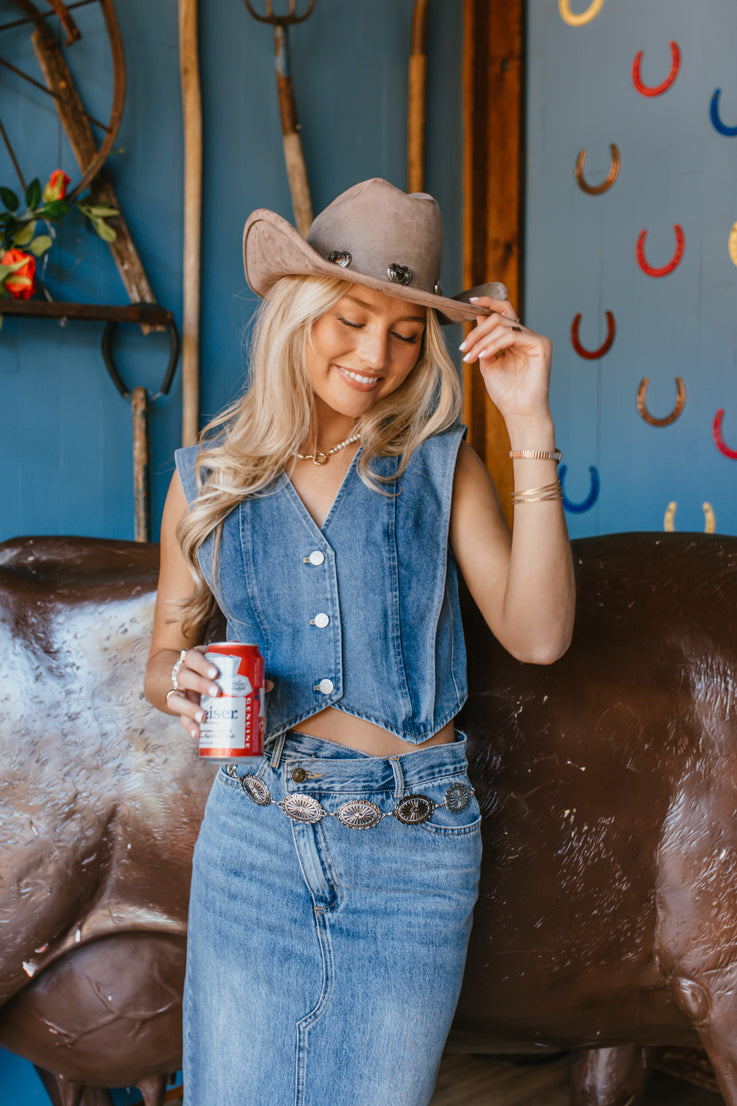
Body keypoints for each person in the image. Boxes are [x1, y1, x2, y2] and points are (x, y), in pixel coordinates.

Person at [144, 177, 575, 1106]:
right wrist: (174, 679)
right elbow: (161, 657)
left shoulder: (438, 467)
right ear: (296, 312)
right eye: (348, 319)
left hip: (411, 847)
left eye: (406, 332)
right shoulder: (204, 482)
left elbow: (537, 636)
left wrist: (527, 421)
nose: (375, 354)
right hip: (253, 834)